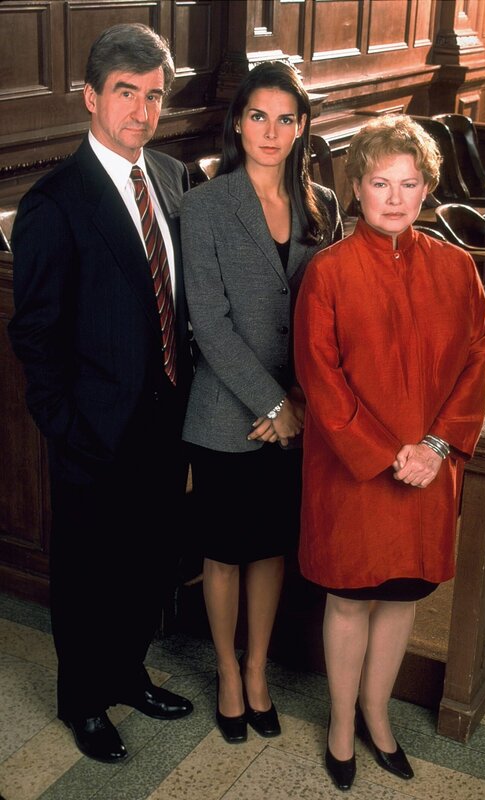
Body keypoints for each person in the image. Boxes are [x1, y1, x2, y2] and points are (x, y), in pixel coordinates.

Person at [8, 23, 194, 763]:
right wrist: (67, 427)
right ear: (91, 97)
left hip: (167, 418)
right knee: (89, 573)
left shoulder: (174, 177)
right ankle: (84, 700)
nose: (142, 112)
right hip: (94, 429)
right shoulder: (55, 202)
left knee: (147, 561)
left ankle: (127, 673)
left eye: (154, 96)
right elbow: (35, 335)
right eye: (126, 93)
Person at [294, 114, 485, 790]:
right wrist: (387, 455)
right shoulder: (327, 272)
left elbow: (476, 360)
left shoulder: (458, 268)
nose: (394, 197)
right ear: (356, 187)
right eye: (380, 182)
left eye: (409, 184)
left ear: (427, 190)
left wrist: (435, 447)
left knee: (403, 596)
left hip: (430, 471)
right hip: (352, 473)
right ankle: (340, 722)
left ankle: (377, 715)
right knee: (351, 599)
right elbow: (320, 380)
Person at [180, 61, 342, 744]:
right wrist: (276, 406)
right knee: (223, 552)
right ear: (238, 123)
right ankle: (225, 670)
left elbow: (329, 314)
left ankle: (256, 670)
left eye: (284, 119)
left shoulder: (321, 204)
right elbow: (210, 324)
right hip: (227, 413)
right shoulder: (205, 205)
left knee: (270, 549)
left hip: (297, 411)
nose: (270, 132)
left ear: (301, 127)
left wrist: (299, 400)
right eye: (257, 117)